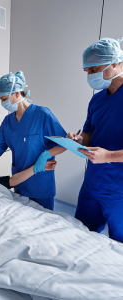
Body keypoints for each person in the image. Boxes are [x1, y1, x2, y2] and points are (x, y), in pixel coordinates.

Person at [0, 71, 66, 210]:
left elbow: (64, 144)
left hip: (41, 183)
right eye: (0, 100)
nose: (2, 103)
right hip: (20, 181)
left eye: (4, 99)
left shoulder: (43, 114)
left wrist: (46, 154)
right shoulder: (8, 121)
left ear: (17, 93)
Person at [67, 37, 123, 242]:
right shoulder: (97, 99)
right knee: (80, 235)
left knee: (118, 247)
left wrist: (108, 155)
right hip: (92, 183)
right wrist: (79, 139)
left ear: (115, 62)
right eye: (87, 71)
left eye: (94, 69)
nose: (89, 75)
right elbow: (90, 132)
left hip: (119, 189)